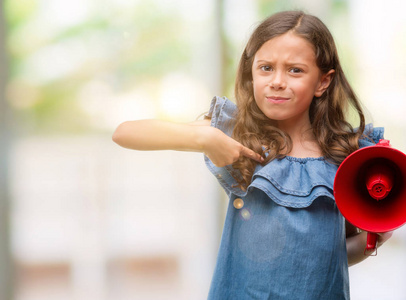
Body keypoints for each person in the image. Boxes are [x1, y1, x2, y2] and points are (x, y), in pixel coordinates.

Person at [113, 10, 393, 299]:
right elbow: (124, 133)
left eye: (295, 70)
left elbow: (326, 259)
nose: (277, 81)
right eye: (266, 68)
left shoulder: (347, 155)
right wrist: (205, 137)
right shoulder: (238, 134)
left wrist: (376, 238)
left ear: (323, 81)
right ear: (251, 72)